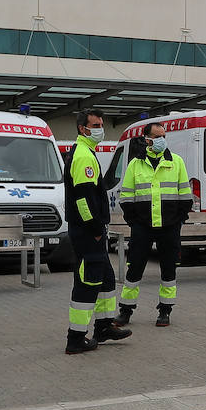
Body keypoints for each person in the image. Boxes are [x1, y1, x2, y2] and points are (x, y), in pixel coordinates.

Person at [62, 109, 131, 354]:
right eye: (96, 124)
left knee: (106, 279)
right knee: (87, 282)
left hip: (91, 230)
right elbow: (82, 199)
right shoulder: (82, 156)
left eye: (102, 123)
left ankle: (103, 327)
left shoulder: (85, 152)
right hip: (87, 231)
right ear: (83, 128)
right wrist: (95, 228)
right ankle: (76, 338)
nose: (100, 128)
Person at [117, 122, 193, 327]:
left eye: (163, 136)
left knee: (169, 270)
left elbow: (186, 196)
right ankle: (125, 310)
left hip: (169, 227)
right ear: (146, 139)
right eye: (157, 136)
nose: (161, 140)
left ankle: (165, 311)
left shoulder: (176, 162)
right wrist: (133, 221)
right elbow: (125, 197)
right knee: (134, 268)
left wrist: (178, 220)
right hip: (142, 226)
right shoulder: (135, 164)